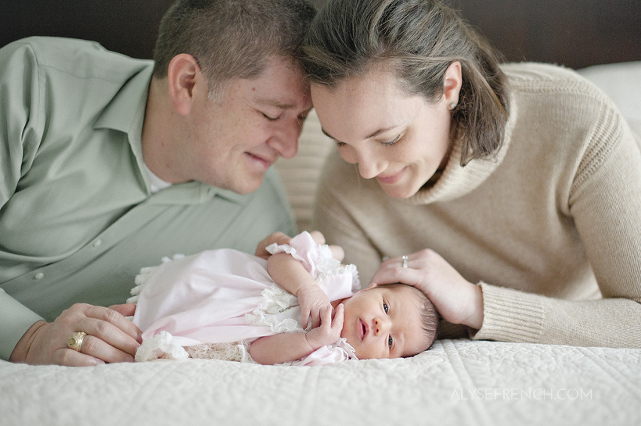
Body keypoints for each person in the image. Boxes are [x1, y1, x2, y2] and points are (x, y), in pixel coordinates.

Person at [301, 0, 641, 348]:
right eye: (342, 142)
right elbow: (357, 336)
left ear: (450, 86)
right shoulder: (343, 189)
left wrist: (475, 303)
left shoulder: (579, 126)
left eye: (390, 138)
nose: (367, 169)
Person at [0, 0, 316, 366]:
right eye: (271, 114)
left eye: (302, 119)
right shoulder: (36, 86)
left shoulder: (264, 221)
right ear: (187, 83)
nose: (290, 147)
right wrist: (28, 337)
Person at [128, 231, 439, 365]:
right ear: (369, 288)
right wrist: (308, 289)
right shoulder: (332, 276)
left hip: (221, 327)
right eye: (385, 307)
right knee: (171, 293)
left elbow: (260, 352)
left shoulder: (329, 355)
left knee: (137, 328)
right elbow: (279, 258)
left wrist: (311, 340)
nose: (378, 325)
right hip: (230, 285)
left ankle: (132, 320)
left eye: (389, 342)